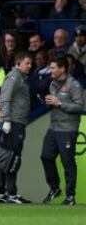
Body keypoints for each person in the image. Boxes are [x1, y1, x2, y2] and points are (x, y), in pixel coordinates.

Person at [41, 57, 84, 206]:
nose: (50, 70)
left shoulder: (74, 85)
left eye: (53, 68)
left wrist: (59, 103)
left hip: (68, 129)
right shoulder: (52, 84)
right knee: (46, 156)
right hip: (53, 127)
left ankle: (70, 196)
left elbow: (79, 107)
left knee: (67, 161)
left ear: (62, 69)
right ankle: (55, 188)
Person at [0, 51, 32, 204]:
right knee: (13, 158)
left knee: (6, 158)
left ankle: (0, 192)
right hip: (14, 123)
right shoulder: (14, 77)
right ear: (18, 63)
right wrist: (6, 120)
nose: (30, 66)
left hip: (15, 122)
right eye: (27, 63)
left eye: (30, 63)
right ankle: (11, 193)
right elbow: (5, 98)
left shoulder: (19, 77)